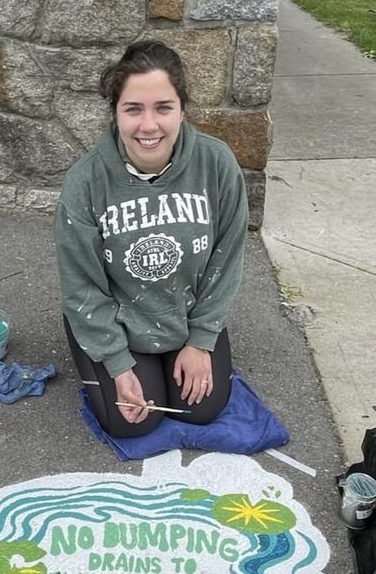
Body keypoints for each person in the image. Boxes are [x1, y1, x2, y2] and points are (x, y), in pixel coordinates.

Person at [54, 40, 248, 438]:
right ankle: (92, 345)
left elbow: (226, 259)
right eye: (133, 109)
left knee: (201, 410)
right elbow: (81, 284)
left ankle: (182, 351)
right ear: (115, 112)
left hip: (184, 312)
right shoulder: (85, 181)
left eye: (163, 107)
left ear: (182, 109)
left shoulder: (217, 164)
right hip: (120, 321)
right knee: (133, 423)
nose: (148, 125)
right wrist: (117, 363)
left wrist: (201, 339)